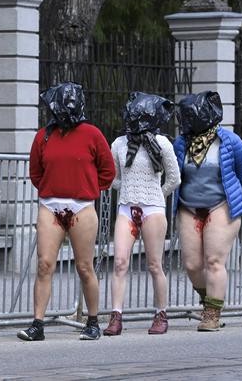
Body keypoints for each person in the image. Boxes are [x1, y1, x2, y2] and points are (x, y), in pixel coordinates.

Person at [18, 82, 115, 342]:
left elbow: (108, 171)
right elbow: (36, 172)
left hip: (81, 205)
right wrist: (53, 190)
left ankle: (92, 321)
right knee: (44, 264)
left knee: (84, 266)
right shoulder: (44, 136)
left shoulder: (92, 134)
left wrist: (88, 189)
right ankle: (37, 323)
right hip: (51, 204)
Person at [104, 92, 180, 336]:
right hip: (127, 206)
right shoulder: (119, 144)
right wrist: (127, 188)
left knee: (154, 264)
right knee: (119, 262)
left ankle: (161, 313)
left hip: (153, 209)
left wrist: (157, 195)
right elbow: (113, 177)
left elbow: (174, 178)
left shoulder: (162, 143)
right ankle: (116, 315)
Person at [174, 91, 242, 331]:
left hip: (220, 205)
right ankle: (209, 300)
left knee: (214, 260)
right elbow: (176, 174)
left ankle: (212, 314)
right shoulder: (181, 143)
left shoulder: (230, 141)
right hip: (188, 206)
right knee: (192, 264)